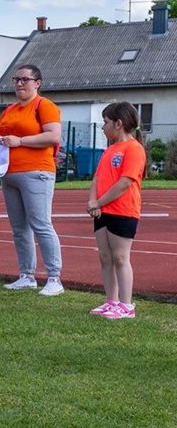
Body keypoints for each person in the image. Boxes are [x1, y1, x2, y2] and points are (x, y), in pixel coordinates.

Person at [0, 64, 64, 296]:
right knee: (19, 228)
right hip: (9, 174)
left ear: (38, 83)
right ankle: (27, 274)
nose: (19, 83)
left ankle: (54, 277)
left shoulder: (44, 105)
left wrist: (20, 142)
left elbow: (53, 136)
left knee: (41, 224)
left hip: (36, 172)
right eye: (16, 79)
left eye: (25, 79)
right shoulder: (9, 109)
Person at [87, 102, 147, 319]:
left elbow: (125, 183)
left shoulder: (134, 149)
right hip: (103, 211)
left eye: (105, 122)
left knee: (120, 257)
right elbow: (97, 178)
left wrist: (99, 202)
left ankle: (126, 305)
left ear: (118, 123)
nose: (103, 127)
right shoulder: (109, 150)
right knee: (105, 257)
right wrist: (93, 201)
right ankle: (111, 300)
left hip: (123, 211)